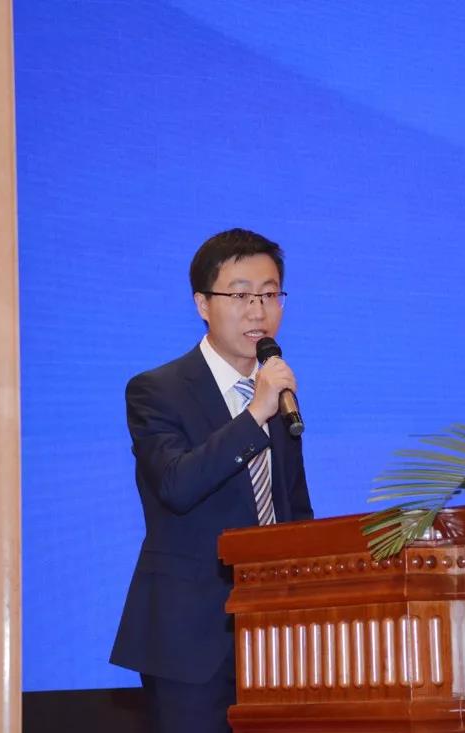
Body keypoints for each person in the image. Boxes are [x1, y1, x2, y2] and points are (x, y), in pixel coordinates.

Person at [110, 228, 313, 733]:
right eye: (241, 295)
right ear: (203, 303)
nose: (258, 310)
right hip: (190, 637)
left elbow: (293, 508)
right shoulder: (156, 390)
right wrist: (254, 414)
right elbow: (176, 485)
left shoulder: (278, 392)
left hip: (277, 634)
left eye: (270, 294)